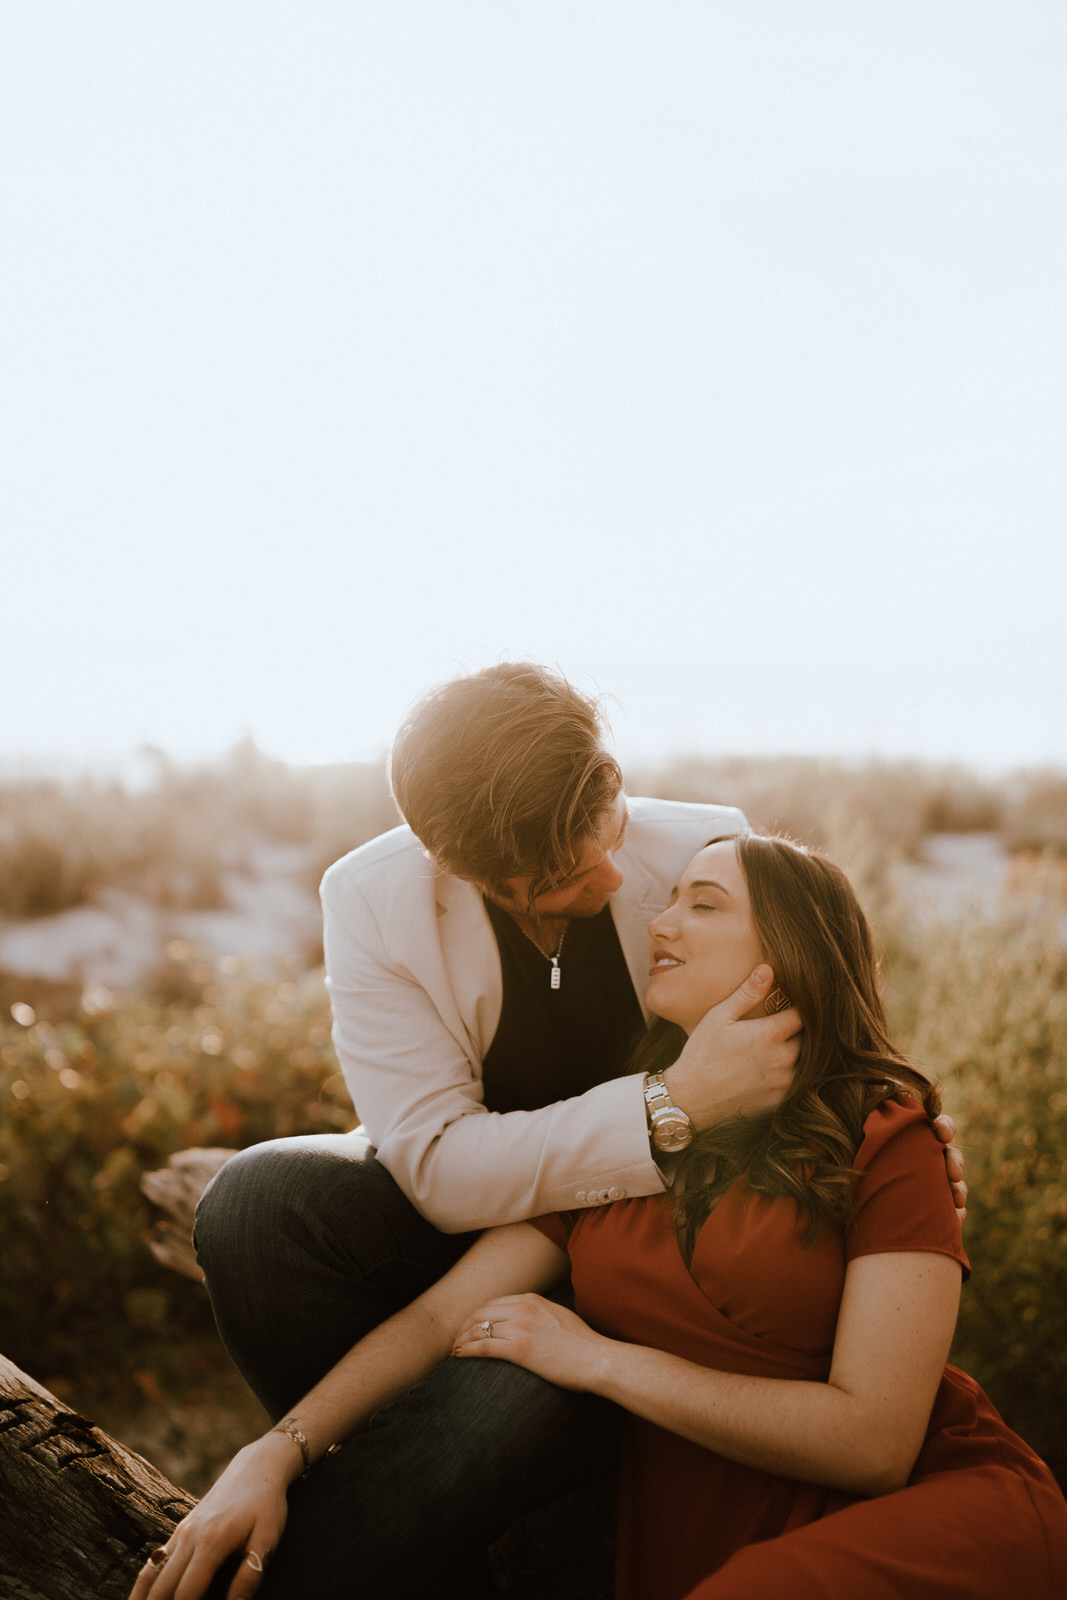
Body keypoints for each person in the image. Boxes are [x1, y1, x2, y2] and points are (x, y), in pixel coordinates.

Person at [186, 664, 963, 1596]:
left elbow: (811, 1006)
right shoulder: (376, 899)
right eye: (559, 874)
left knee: (499, 1405)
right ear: (469, 872)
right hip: (510, 1227)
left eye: (611, 829)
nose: (617, 879)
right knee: (257, 1204)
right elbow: (433, 1170)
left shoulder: (702, 848)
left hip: (628, 1271)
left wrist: (888, 1134)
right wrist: (277, 1450)